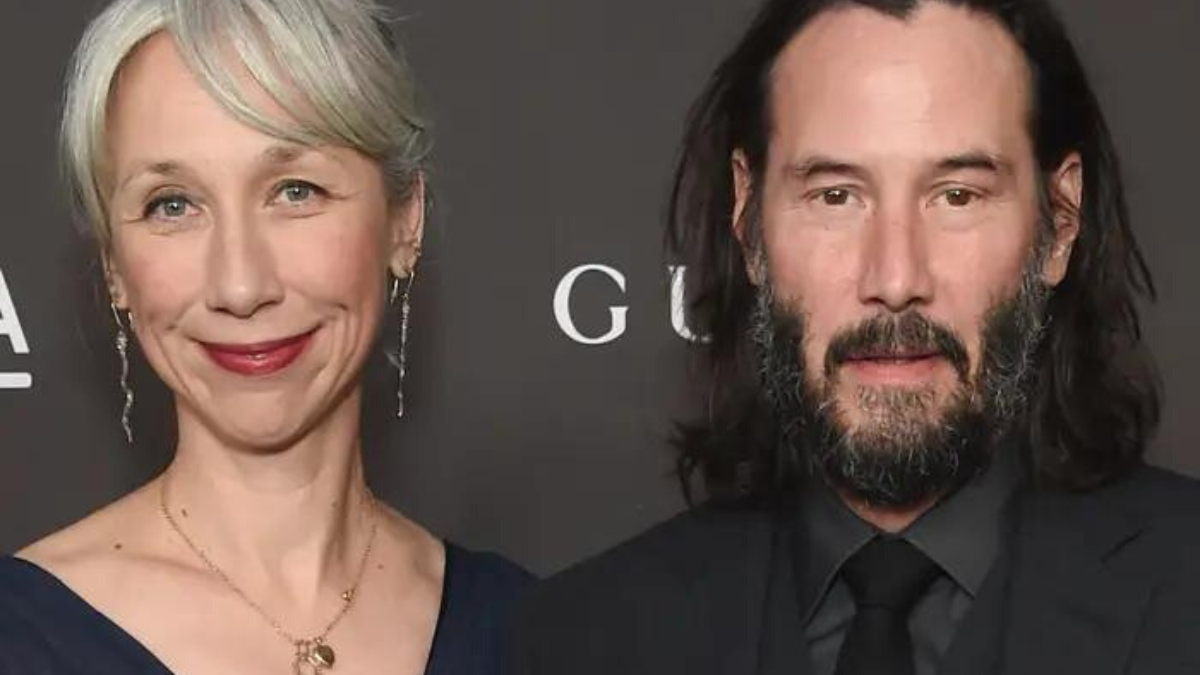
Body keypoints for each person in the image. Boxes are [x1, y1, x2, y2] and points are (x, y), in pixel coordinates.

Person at [512, 1, 1200, 674]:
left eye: (956, 194)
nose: (896, 277)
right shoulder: (584, 638)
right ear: (749, 221)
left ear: (1061, 221)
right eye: (836, 195)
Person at [0, 1, 531, 674]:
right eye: (173, 205)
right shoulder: (17, 639)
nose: (242, 284)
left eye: (295, 190)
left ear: (405, 220)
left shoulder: (533, 633)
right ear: (114, 268)